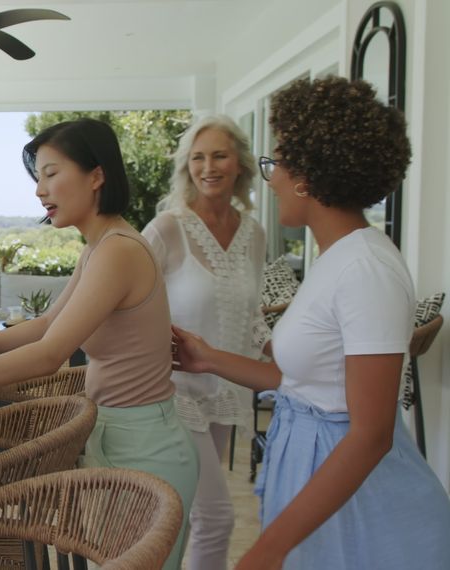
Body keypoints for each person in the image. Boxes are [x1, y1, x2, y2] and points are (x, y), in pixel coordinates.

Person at [172, 76, 450, 570]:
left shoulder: (366, 269)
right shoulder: (337, 260)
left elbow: (371, 433)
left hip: (358, 499)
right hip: (312, 465)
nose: (270, 177)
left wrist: (268, 548)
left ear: (308, 175)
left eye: (275, 162)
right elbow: (301, 382)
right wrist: (209, 357)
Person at [0, 118, 199, 570]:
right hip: (118, 438)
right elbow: (47, 324)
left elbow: (50, 354)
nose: (40, 190)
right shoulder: (100, 245)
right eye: (37, 177)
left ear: (96, 175)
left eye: (51, 173)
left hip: (144, 447)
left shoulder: (118, 249)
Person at [142, 114, 267, 570]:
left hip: (225, 392)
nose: (208, 166)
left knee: (190, 517)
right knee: (216, 516)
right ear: (186, 167)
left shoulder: (254, 233)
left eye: (219, 155)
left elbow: (252, 316)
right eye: (198, 157)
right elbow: (125, 297)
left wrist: (283, 356)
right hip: (173, 396)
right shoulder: (166, 228)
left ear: (240, 165)